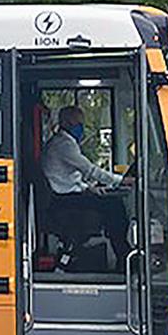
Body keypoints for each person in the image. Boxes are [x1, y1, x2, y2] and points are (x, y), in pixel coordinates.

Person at [41, 105, 131, 268]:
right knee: (114, 206)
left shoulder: (62, 143)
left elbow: (68, 178)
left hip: (65, 195)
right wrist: (120, 181)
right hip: (62, 200)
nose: (81, 127)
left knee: (108, 201)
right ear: (68, 122)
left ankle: (122, 253)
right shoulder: (64, 145)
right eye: (79, 123)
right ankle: (124, 256)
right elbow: (90, 169)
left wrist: (88, 188)